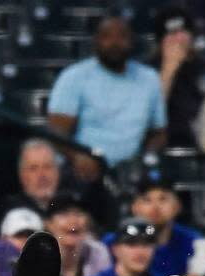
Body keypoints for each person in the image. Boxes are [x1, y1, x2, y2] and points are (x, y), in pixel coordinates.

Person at [47, 16, 166, 180]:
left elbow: (159, 133)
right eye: (106, 36)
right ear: (95, 41)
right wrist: (77, 156)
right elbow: (56, 131)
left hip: (131, 173)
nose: (114, 42)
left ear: (132, 41)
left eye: (122, 36)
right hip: (82, 170)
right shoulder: (74, 76)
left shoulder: (150, 78)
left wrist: (147, 157)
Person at [150, 6, 205, 149]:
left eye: (182, 32)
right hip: (165, 143)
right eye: (171, 34)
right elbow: (150, 114)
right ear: (160, 41)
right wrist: (168, 69)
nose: (178, 39)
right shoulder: (148, 70)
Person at [118, 178, 205, 276]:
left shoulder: (196, 242)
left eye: (163, 199)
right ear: (135, 207)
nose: (155, 207)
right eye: (147, 200)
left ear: (177, 206)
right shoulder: (116, 242)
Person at [43, 193, 110, 276]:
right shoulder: (37, 257)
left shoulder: (98, 253)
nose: (73, 221)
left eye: (79, 214)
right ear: (48, 224)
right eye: (64, 214)